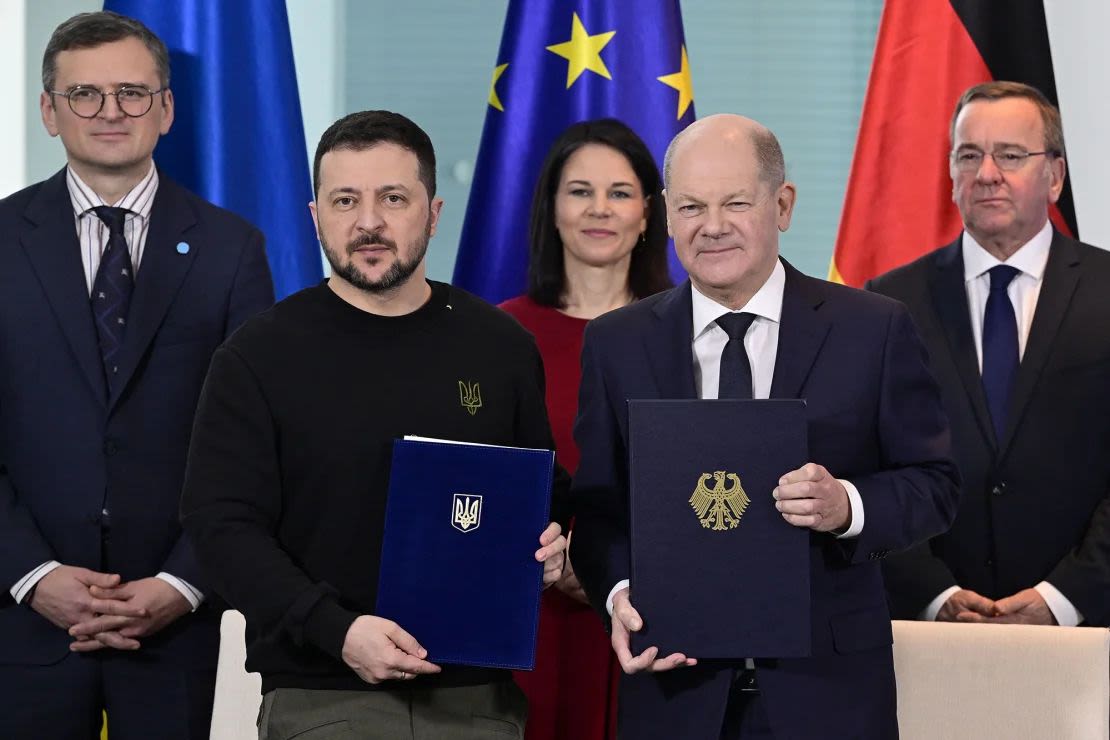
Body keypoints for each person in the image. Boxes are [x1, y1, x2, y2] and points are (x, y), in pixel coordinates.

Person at [180, 110, 568, 740]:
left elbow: (542, 489)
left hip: (477, 699)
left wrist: (553, 542)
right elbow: (220, 526)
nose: (369, 222)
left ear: (433, 213)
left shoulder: (500, 345)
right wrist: (338, 630)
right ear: (315, 217)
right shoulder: (258, 356)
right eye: (345, 200)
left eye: (393, 198)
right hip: (322, 694)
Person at [569, 113, 960, 739]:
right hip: (674, 692)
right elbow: (597, 510)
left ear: (783, 205)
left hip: (828, 696)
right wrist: (618, 595)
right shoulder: (617, 343)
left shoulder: (873, 329)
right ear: (668, 214)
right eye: (692, 206)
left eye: (736, 203)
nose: (713, 226)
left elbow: (936, 484)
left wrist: (847, 505)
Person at [0, 11, 273, 739]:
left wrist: (183, 583)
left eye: (132, 92)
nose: (110, 112)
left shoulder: (233, 250)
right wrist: (31, 575)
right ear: (49, 112)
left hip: (172, 622)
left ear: (167, 108)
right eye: (85, 94)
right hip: (21, 619)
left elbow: (251, 443)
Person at [868, 81, 1110, 628]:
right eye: (969, 155)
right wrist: (934, 592)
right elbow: (867, 468)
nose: (987, 173)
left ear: (1054, 175)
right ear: (951, 175)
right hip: (930, 633)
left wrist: (1062, 597)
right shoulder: (888, 301)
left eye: (1010, 154)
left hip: (1091, 631)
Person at [500, 119, 671, 740]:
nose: (600, 209)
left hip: (656, 615)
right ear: (551, 208)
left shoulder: (691, 336)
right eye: (580, 191)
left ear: (650, 213)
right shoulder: (498, 337)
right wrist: (562, 566)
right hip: (528, 612)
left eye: (620, 193)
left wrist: (607, 574)